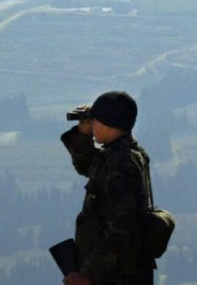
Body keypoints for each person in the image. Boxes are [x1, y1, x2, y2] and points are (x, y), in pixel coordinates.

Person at [60, 91, 155, 285]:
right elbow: (87, 165)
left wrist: (88, 275)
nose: (92, 125)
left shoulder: (121, 164)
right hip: (116, 271)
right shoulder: (125, 154)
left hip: (116, 276)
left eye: (95, 121)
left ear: (109, 123)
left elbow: (120, 229)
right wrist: (83, 135)